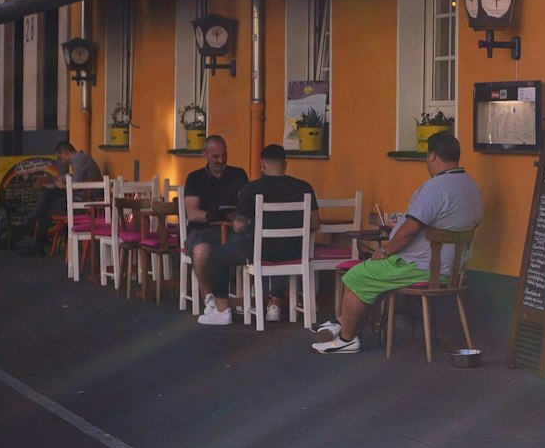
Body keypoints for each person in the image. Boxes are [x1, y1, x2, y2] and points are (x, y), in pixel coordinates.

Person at [311, 132, 483, 354]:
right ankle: (339, 323)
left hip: (422, 267)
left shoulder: (435, 188)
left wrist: (385, 249)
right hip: (453, 271)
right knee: (370, 277)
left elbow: (409, 231)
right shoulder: (472, 187)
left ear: (432, 156)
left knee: (355, 275)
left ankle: (347, 337)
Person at [196, 144, 317, 326]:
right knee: (281, 249)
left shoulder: (252, 188)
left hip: (261, 251)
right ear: (285, 164)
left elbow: (238, 226)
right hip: (294, 251)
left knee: (217, 256)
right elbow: (315, 223)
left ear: (262, 164)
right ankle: (274, 305)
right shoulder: (304, 187)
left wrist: (247, 223)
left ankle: (222, 311)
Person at [184, 134, 248, 303]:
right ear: (205, 155)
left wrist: (239, 214)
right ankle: (210, 298)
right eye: (216, 156)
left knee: (255, 247)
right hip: (203, 231)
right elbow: (191, 213)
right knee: (201, 251)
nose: (221, 160)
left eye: (224, 155)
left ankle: (254, 301)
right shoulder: (195, 178)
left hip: (232, 230)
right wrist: (209, 215)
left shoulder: (238, 174)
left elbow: (246, 203)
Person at [13, 141, 103, 255]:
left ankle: (33, 233)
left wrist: (63, 186)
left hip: (84, 201)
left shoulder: (79, 160)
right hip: (82, 196)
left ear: (65, 154)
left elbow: (75, 186)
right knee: (49, 195)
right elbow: (79, 178)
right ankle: (32, 229)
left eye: (60, 158)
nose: (61, 161)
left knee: (48, 207)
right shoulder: (81, 158)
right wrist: (66, 178)